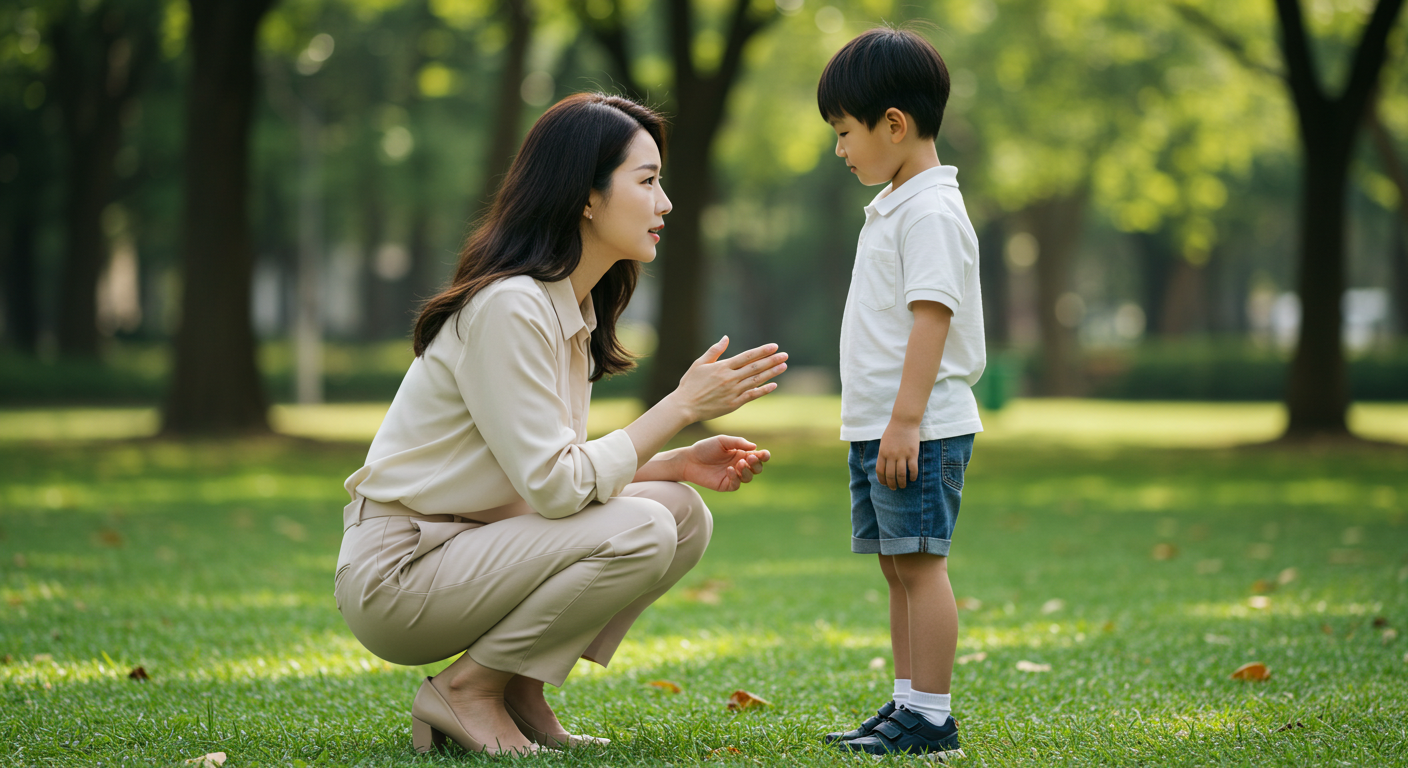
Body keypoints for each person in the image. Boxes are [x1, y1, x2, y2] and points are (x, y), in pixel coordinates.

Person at [334, 93, 789, 756]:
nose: (664, 204)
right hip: (403, 572)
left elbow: (547, 471)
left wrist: (672, 462)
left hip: (468, 544)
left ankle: (517, 688)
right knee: (644, 526)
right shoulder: (511, 307)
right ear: (586, 196)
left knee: (682, 511)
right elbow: (555, 488)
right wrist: (680, 404)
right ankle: (465, 692)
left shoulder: (566, 310)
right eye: (648, 181)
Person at [814, 27, 985, 759]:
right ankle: (908, 701)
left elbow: (932, 318)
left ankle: (934, 717)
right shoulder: (896, 204)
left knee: (921, 563)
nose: (841, 149)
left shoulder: (930, 212)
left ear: (894, 124)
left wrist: (906, 421)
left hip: (918, 426)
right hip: (882, 426)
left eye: (845, 132)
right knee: (897, 564)